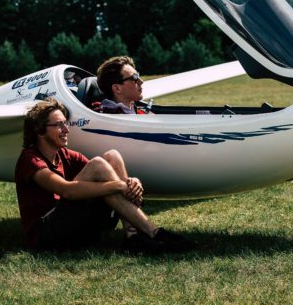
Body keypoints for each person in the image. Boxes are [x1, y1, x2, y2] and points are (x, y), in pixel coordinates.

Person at [14, 97, 193, 253]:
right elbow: (67, 191)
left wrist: (131, 181)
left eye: (65, 123)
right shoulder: (30, 159)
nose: (66, 130)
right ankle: (153, 232)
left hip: (72, 226)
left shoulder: (64, 155)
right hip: (46, 235)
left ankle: (132, 236)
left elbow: (106, 173)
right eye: (59, 125)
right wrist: (120, 185)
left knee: (112, 156)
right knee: (99, 165)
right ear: (40, 131)